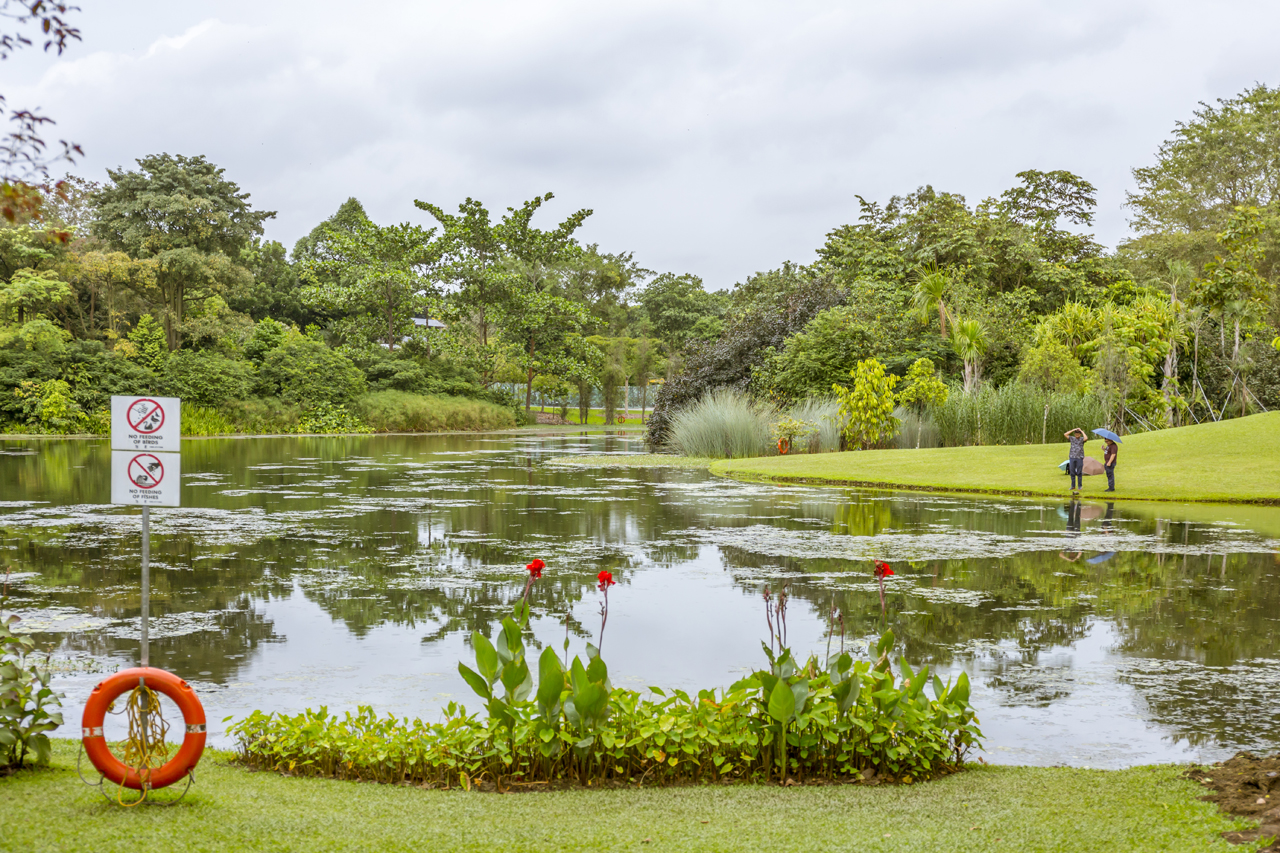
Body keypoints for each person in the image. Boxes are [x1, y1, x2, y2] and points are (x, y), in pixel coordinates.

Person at [1064, 427, 1087, 493]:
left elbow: (1086, 438)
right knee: (1072, 472)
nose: (1077, 435)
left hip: (1079, 457)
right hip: (1072, 457)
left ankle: (1080, 486)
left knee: (1079, 472)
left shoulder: (1082, 439)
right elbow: (1065, 434)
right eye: (1076, 434)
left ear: (1080, 434)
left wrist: (1082, 431)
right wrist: (1073, 430)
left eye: (1078, 434)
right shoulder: (1072, 439)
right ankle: (1073, 486)